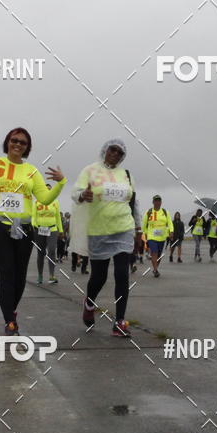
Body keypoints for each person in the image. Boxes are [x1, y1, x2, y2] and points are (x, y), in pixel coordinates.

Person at [0, 128, 65, 334]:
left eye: (23, 142)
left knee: (19, 276)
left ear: (27, 147)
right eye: (14, 140)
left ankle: (10, 310)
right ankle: (9, 321)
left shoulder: (32, 171)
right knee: (6, 271)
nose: (18, 144)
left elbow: (45, 199)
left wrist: (61, 182)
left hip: (24, 228)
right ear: (7, 142)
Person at [72, 138, 141, 336]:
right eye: (113, 150)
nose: (116, 155)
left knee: (122, 274)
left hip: (123, 228)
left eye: (120, 153)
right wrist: (82, 196)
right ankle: (89, 303)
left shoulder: (126, 175)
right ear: (105, 150)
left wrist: (138, 229)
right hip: (99, 230)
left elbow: (134, 203)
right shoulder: (90, 170)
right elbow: (75, 192)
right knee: (98, 277)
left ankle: (119, 321)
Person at [32, 185, 63, 284]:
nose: (48, 191)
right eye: (46, 189)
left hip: (52, 229)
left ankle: (51, 275)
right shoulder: (36, 202)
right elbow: (33, 216)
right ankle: (40, 275)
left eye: (50, 189)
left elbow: (58, 216)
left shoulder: (55, 202)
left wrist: (61, 230)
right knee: (40, 253)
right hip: (40, 229)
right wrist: (34, 225)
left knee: (52, 250)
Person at [143, 196, 173, 278]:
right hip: (151, 236)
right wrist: (145, 233)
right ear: (153, 202)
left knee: (159, 255)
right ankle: (155, 270)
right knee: (154, 252)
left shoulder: (165, 212)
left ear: (161, 202)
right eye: (156, 201)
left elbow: (170, 223)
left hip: (162, 237)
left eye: (159, 201)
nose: (157, 202)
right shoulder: (149, 212)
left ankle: (155, 267)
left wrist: (171, 231)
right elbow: (144, 224)